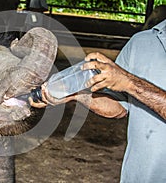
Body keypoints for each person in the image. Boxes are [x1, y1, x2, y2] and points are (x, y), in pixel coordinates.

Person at [30, 19, 166, 182]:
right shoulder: (142, 43)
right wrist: (75, 94)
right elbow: (119, 108)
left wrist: (129, 83)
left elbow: (127, 83)